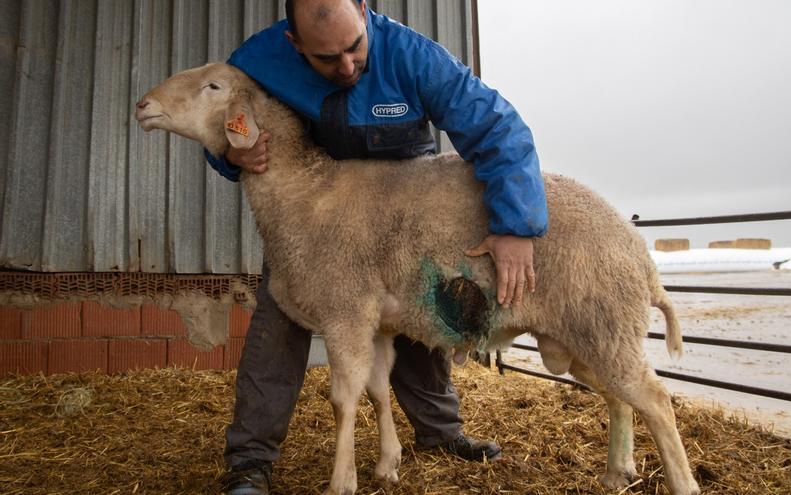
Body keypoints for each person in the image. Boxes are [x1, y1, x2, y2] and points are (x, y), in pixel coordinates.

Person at [207, 0, 548, 493]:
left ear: (365, 12)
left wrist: (516, 224)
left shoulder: (413, 56)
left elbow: (496, 127)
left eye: (355, 48)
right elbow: (220, 119)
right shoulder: (257, 63)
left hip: (401, 210)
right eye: (327, 59)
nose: (346, 67)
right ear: (294, 42)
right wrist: (231, 151)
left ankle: (439, 431)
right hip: (317, 222)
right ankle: (250, 461)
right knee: (279, 321)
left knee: (420, 311)